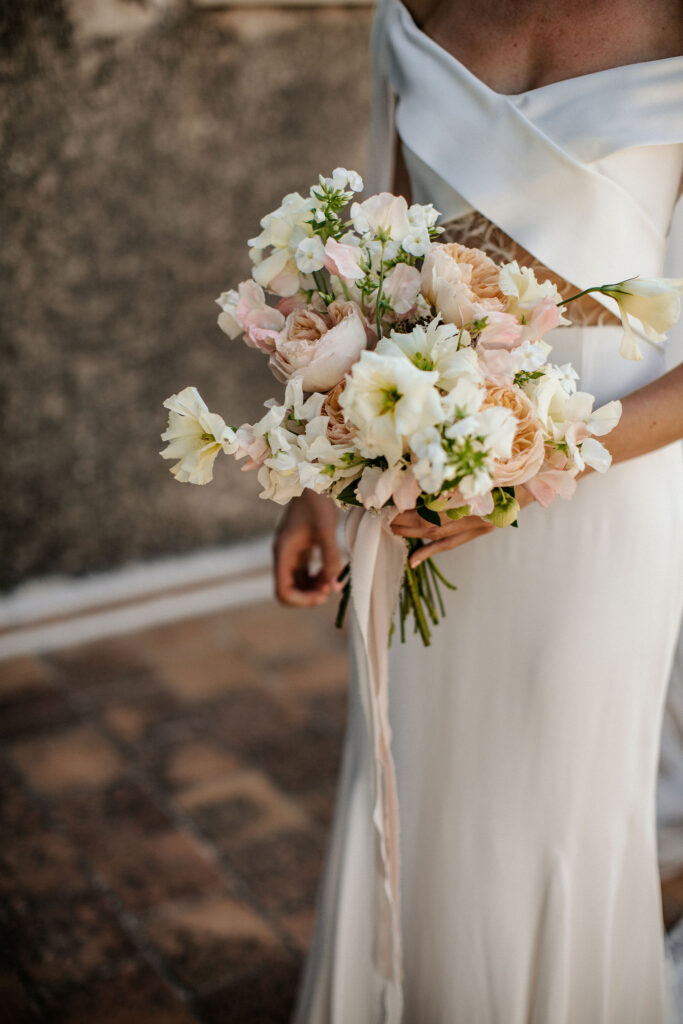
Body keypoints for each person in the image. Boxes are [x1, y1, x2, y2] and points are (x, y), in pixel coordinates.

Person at [276, 1, 683, 1020]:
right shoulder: (409, 15)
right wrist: (317, 482)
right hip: (417, 472)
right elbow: (386, 274)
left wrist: (531, 458)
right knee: (416, 779)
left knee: (562, 801)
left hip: (605, 483)